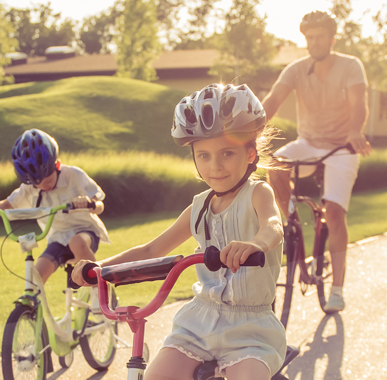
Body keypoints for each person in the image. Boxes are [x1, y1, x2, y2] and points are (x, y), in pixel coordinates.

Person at [72, 84, 286, 380]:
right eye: (204, 156)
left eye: (227, 153)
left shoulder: (258, 193)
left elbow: (274, 226)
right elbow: (150, 251)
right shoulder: (198, 208)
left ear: (250, 154)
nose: (215, 166)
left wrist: (255, 244)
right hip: (198, 324)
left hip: (250, 330)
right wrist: (99, 268)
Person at [260, 10, 372, 313]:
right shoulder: (296, 69)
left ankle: (337, 289)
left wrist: (354, 131)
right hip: (308, 143)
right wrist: (246, 133)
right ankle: (289, 219)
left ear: (332, 38)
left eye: (320, 37)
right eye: (309, 37)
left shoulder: (351, 66)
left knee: (334, 212)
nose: (314, 42)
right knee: (275, 165)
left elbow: (358, 105)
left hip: (342, 148)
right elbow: (271, 101)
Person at [0, 128, 110, 284]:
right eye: (36, 184)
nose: (43, 187)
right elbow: (6, 205)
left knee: (76, 242)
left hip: (85, 233)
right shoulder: (29, 188)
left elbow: (100, 205)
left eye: (48, 181)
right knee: (35, 277)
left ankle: (98, 289)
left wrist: (90, 204)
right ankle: (31, 305)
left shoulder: (74, 175)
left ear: (56, 165)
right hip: (58, 238)